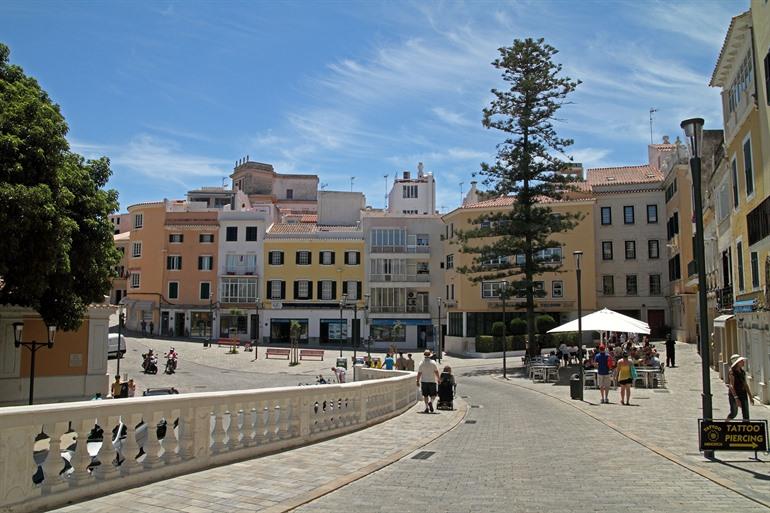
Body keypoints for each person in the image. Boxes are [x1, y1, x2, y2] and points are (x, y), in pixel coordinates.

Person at [726, 356, 753, 421]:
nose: (743, 362)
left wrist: (750, 396)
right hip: (734, 395)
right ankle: (725, 424)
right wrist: (736, 398)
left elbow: (745, 384)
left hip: (743, 394)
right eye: (741, 361)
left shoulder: (742, 372)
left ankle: (746, 428)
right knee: (734, 413)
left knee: (746, 414)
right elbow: (731, 386)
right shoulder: (732, 372)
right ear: (737, 363)